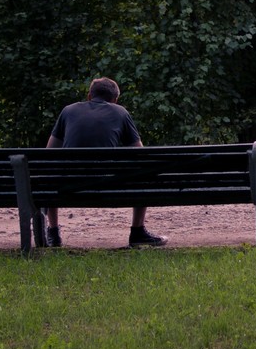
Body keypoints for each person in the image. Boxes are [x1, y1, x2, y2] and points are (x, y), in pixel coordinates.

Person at [43, 77, 168, 248]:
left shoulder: (68, 111)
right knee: (143, 171)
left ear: (89, 96)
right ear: (115, 100)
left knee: (51, 171)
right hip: (109, 184)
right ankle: (137, 231)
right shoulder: (121, 112)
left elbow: (49, 152)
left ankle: (53, 232)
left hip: (69, 185)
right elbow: (140, 152)